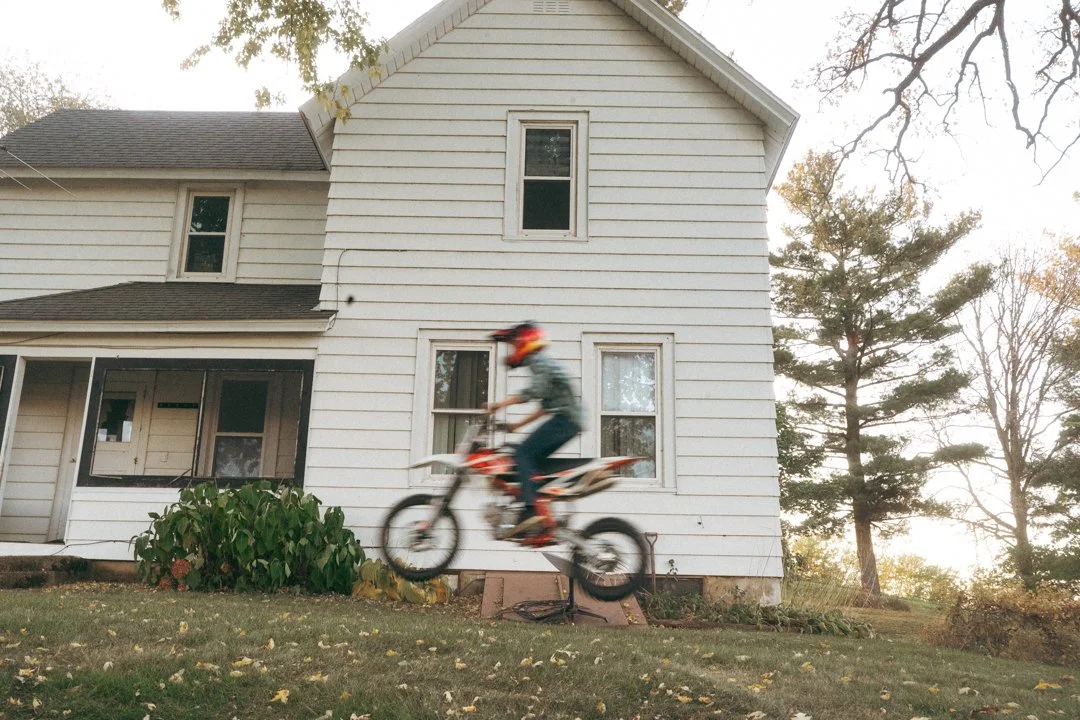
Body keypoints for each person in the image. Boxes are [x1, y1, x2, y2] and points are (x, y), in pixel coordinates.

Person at [484, 322, 582, 538]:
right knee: (527, 458)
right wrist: (515, 426)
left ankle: (530, 510)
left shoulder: (539, 361)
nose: (512, 351)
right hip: (568, 420)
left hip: (566, 420)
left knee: (522, 453)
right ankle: (542, 512)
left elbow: (533, 392)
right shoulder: (542, 364)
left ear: (524, 342)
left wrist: (498, 405)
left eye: (513, 345)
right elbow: (544, 407)